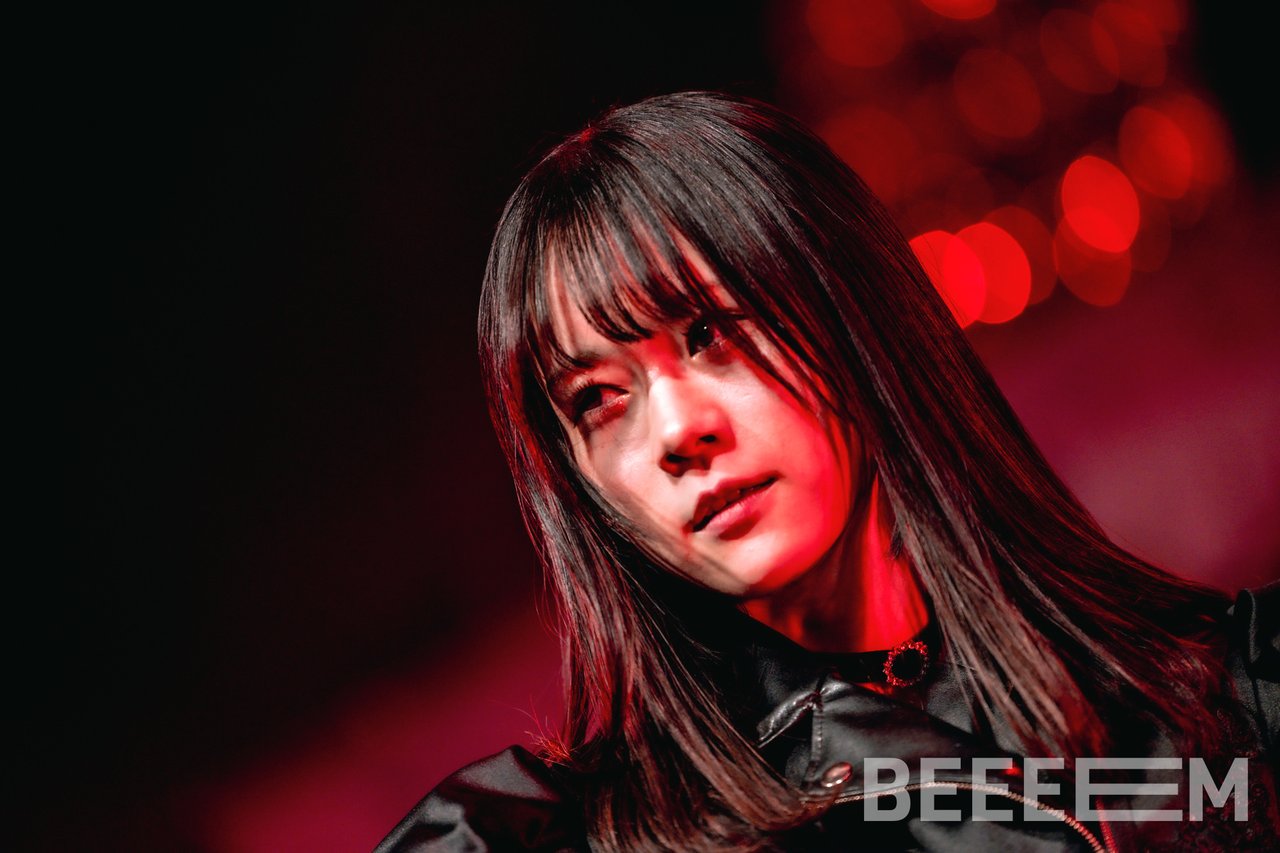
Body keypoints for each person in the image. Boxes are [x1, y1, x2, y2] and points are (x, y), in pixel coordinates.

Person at [377, 92, 1278, 851]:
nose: (677, 431)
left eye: (709, 332)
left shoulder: (1237, 694)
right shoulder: (565, 836)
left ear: (849, 309)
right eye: (599, 400)